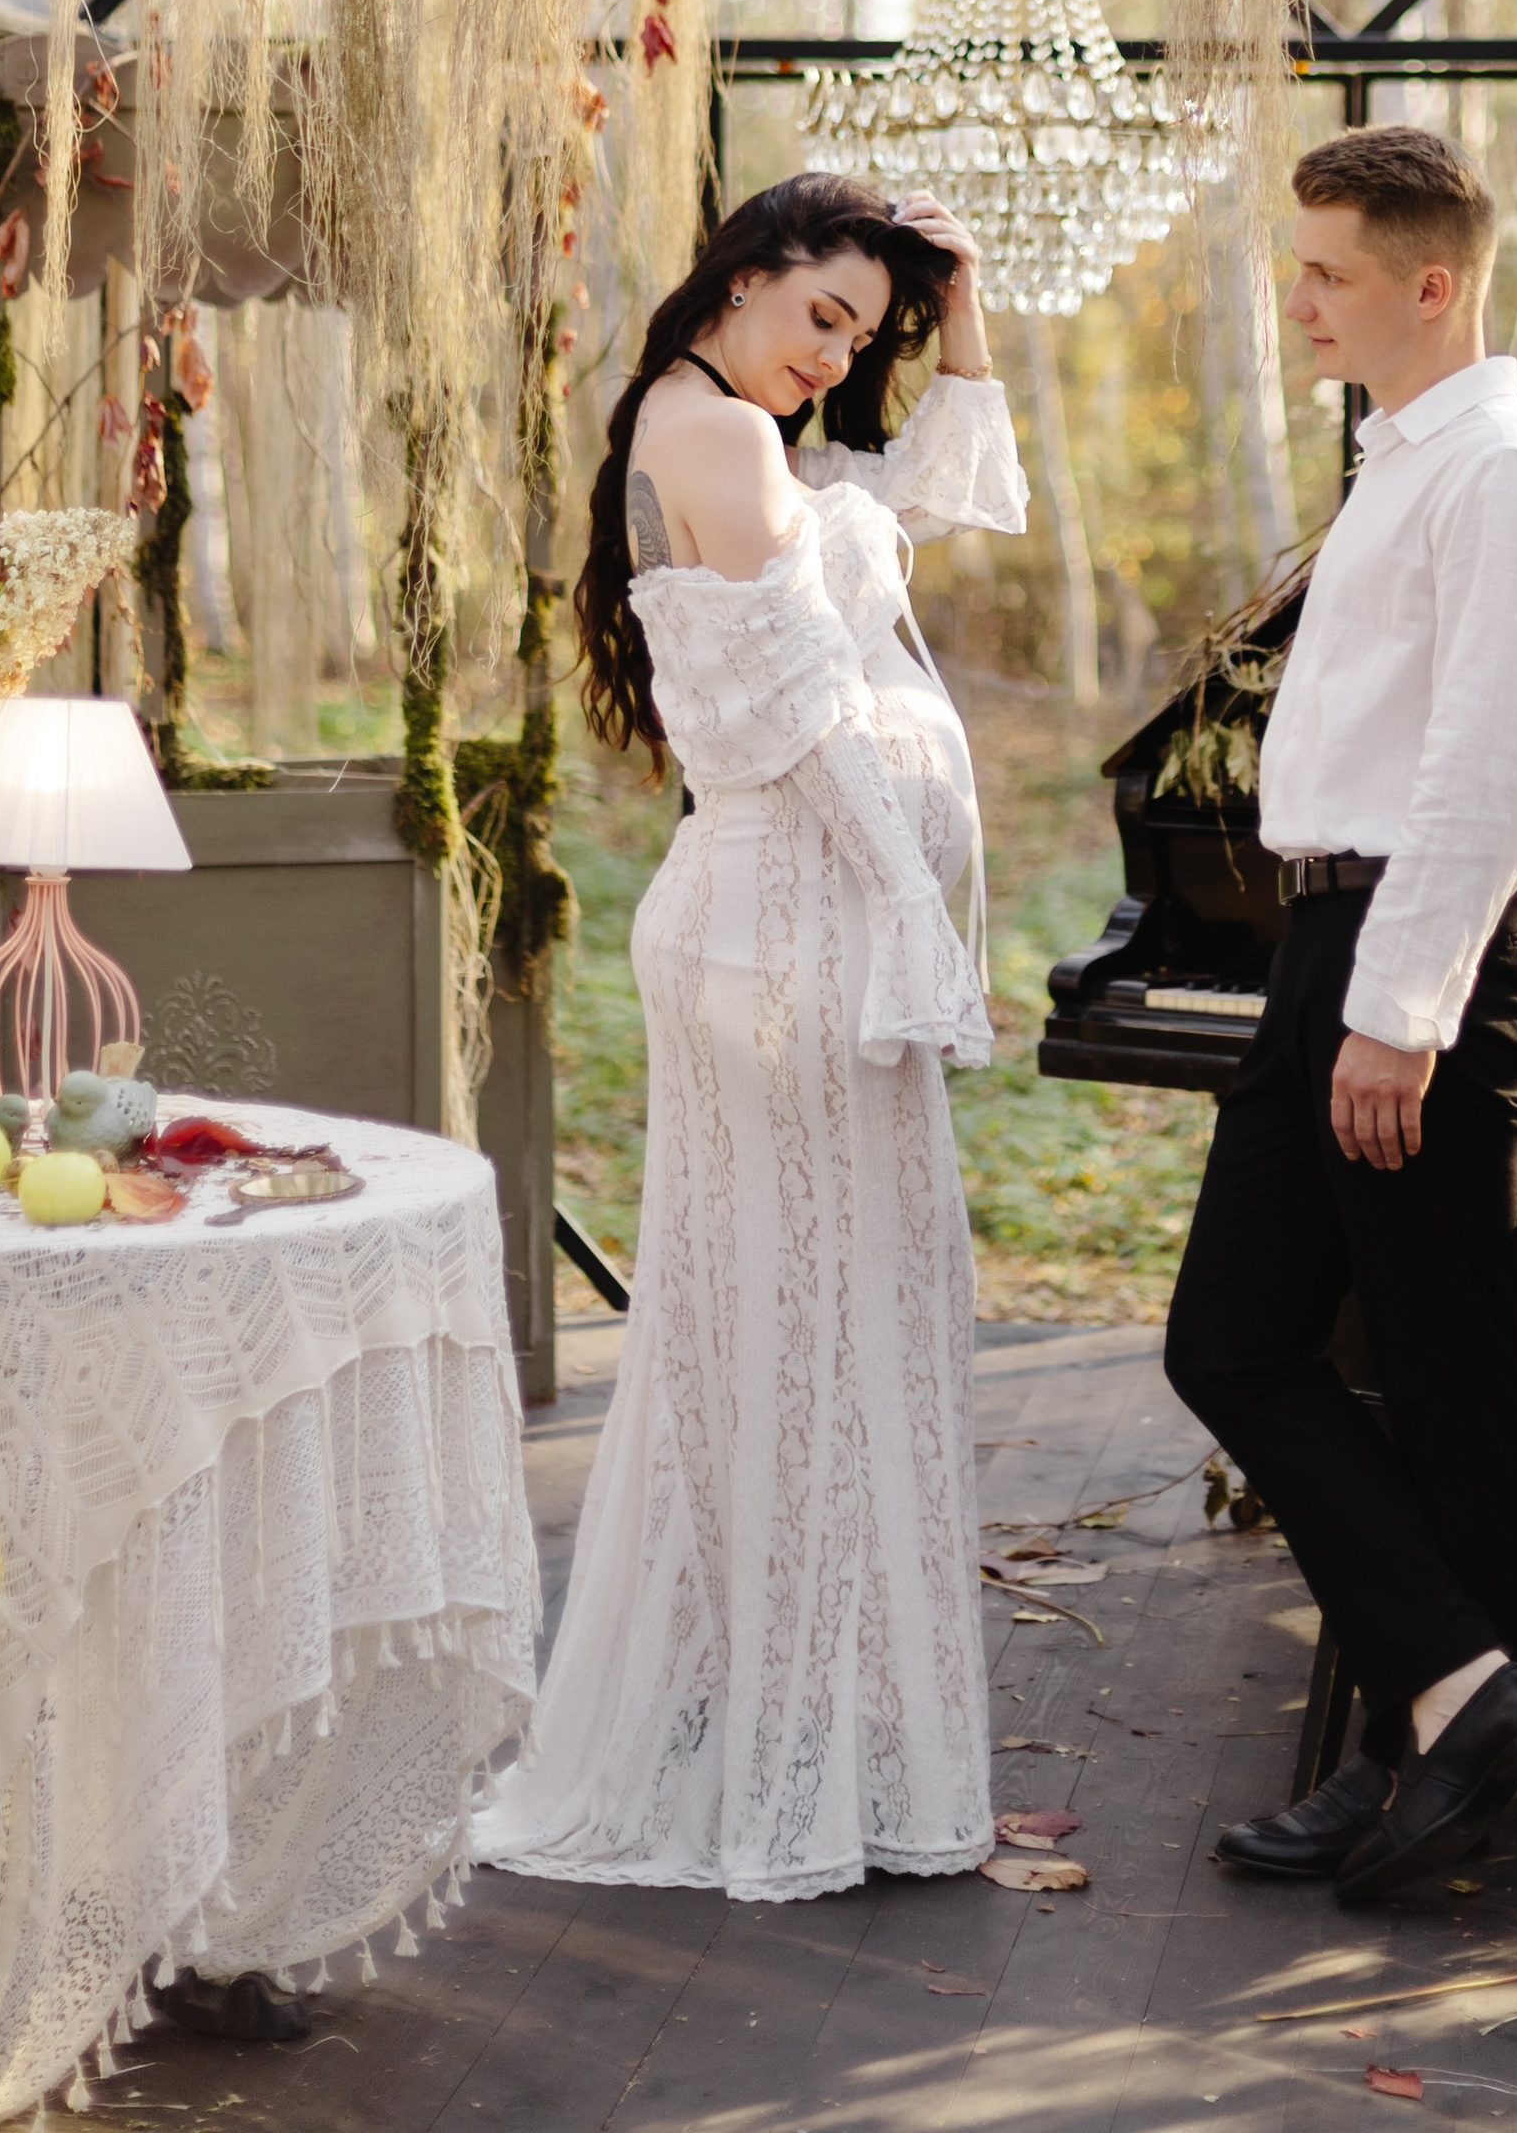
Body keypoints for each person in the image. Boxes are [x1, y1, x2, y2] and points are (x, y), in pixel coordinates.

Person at [475, 173, 1025, 1902]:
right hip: (785, 938)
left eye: (861, 334)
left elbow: (952, 491)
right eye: (821, 317)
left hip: (802, 931)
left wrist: (962, 297)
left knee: (824, 1334)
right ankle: (789, 1756)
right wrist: (921, 926)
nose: (833, 357)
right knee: (808, 1340)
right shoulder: (709, 436)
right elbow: (796, 722)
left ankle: (802, 1731)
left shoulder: (758, 436)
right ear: (739, 276)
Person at [1165, 125, 1517, 1903]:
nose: (1301, 299)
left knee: (1443, 1376)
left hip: (1423, 950)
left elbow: (1489, 767)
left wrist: (1401, 1007)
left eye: (1330, 272)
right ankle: (1461, 1692)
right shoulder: (1409, 459)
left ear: (1435, 286)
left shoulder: (1502, 474)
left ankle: (1422, 1756)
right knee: (1234, 1339)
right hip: (1329, 950)